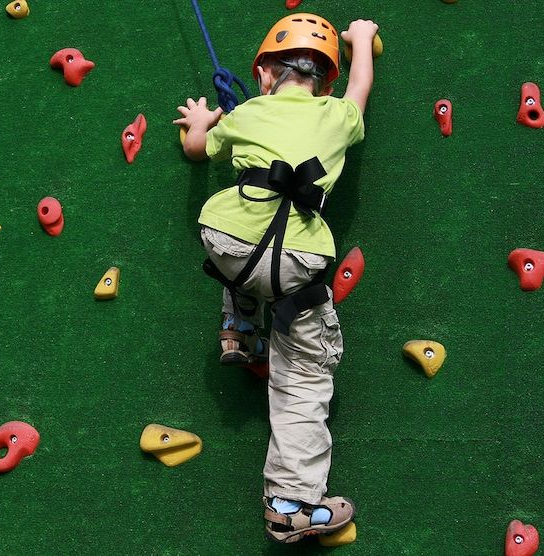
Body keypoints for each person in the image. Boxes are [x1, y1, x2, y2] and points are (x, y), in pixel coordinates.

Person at [173, 14, 379, 543]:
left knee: (240, 247)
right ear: (325, 84)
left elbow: (196, 148)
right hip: (295, 266)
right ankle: (289, 504)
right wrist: (360, 41)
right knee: (304, 376)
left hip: (227, 243)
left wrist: (201, 121)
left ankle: (238, 327)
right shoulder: (336, 114)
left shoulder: (245, 114)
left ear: (264, 74)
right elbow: (360, 90)